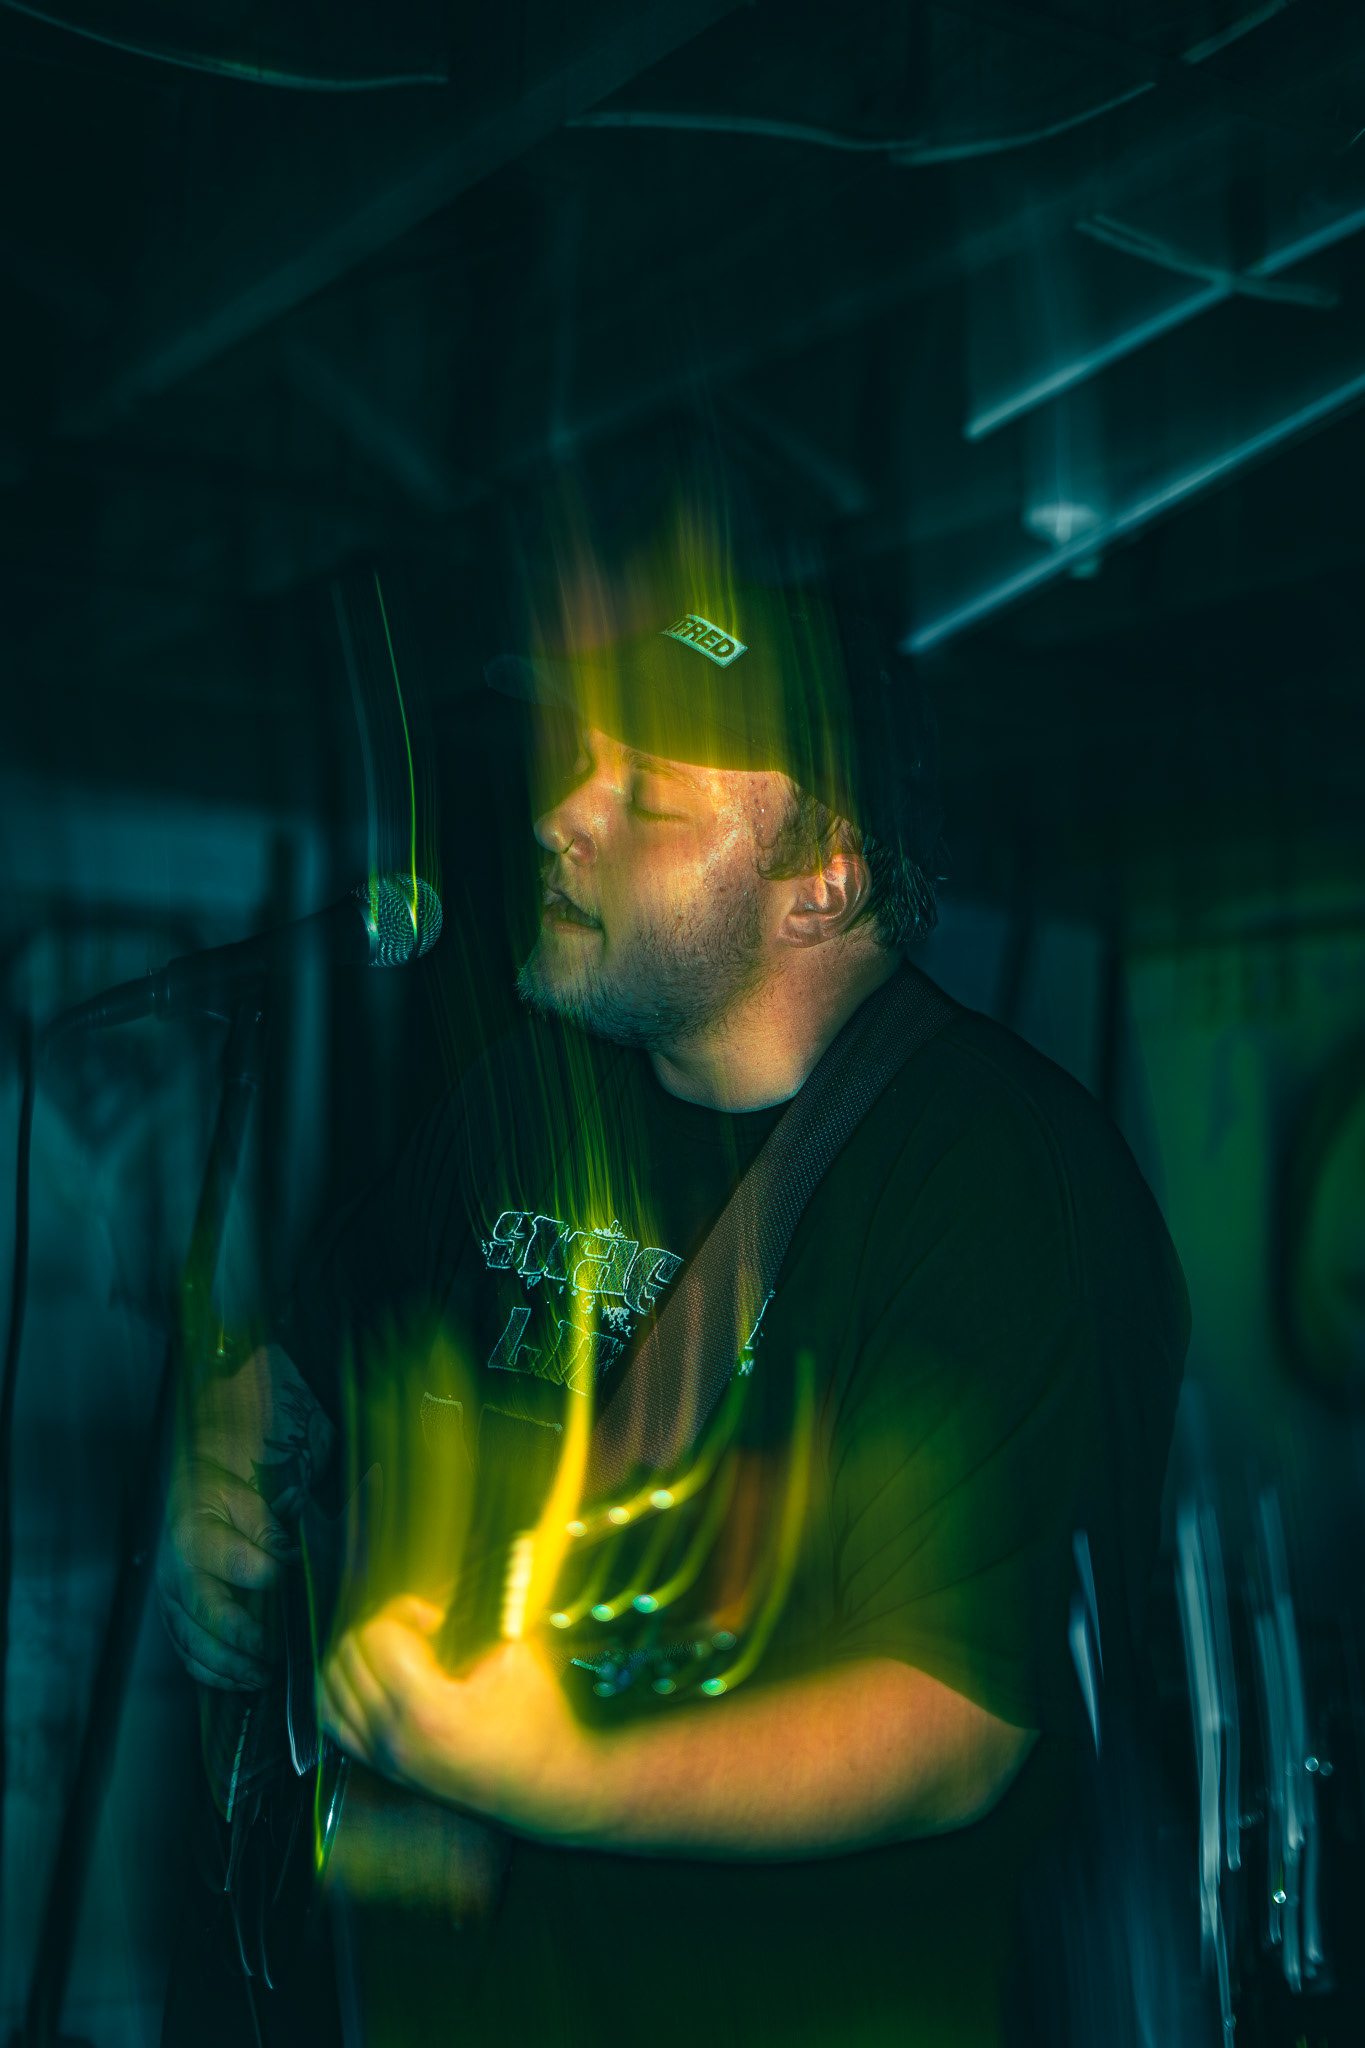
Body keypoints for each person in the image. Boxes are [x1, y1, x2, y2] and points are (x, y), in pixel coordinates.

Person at [157, 562, 1189, 2048]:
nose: (559, 813)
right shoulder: (520, 1098)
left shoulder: (1003, 1180)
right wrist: (213, 1474)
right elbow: (293, 1366)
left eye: (646, 791)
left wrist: (567, 1775)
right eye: (582, 758)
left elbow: (959, 1720)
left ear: (823, 879)